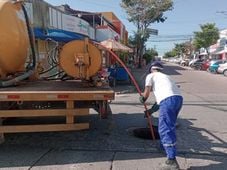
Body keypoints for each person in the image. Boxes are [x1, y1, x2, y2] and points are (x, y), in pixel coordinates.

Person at [139, 61, 183, 170]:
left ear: (151, 69)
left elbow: (146, 93)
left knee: (165, 129)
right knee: (169, 126)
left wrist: (142, 98)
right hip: (178, 99)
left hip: (168, 101)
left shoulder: (151, 75)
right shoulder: (166, 77)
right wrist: (150, 111)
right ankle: (165, 147)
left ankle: (171, 161)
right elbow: (160, 102)